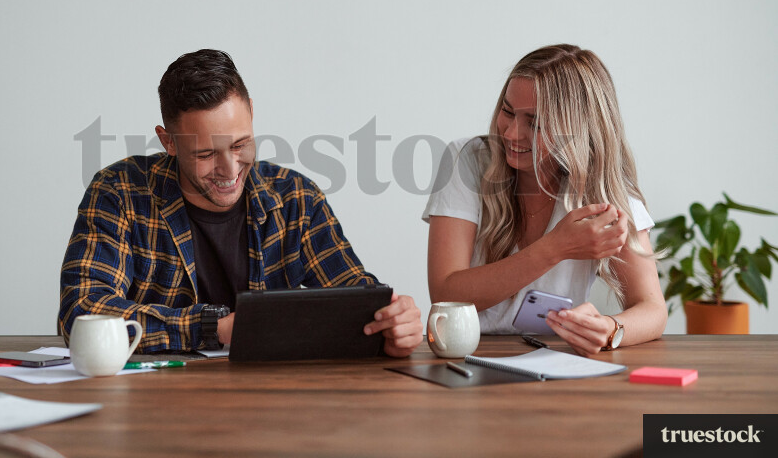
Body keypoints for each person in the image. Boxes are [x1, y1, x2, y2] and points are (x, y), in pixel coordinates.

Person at [60, 49, 421, 356]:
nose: (230, 169)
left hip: (271, 403)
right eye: (205, 154)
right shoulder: (120, 192)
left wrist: (392, 323)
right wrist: (213, 328)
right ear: (168, 141)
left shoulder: (296, 198)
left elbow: (357, 300)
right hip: (157, 401)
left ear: (251, 112)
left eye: (240, 144)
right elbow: (81, 315)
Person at [424, 44, 667, 357]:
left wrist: (610, 329)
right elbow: (445, 294)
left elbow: (652, 308)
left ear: (578, 130)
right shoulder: (468, 160)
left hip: (555, 359)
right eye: (507, 111)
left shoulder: (603, 190)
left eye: (535, 123)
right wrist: (555, 247)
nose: (511, 133)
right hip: (470, 357)